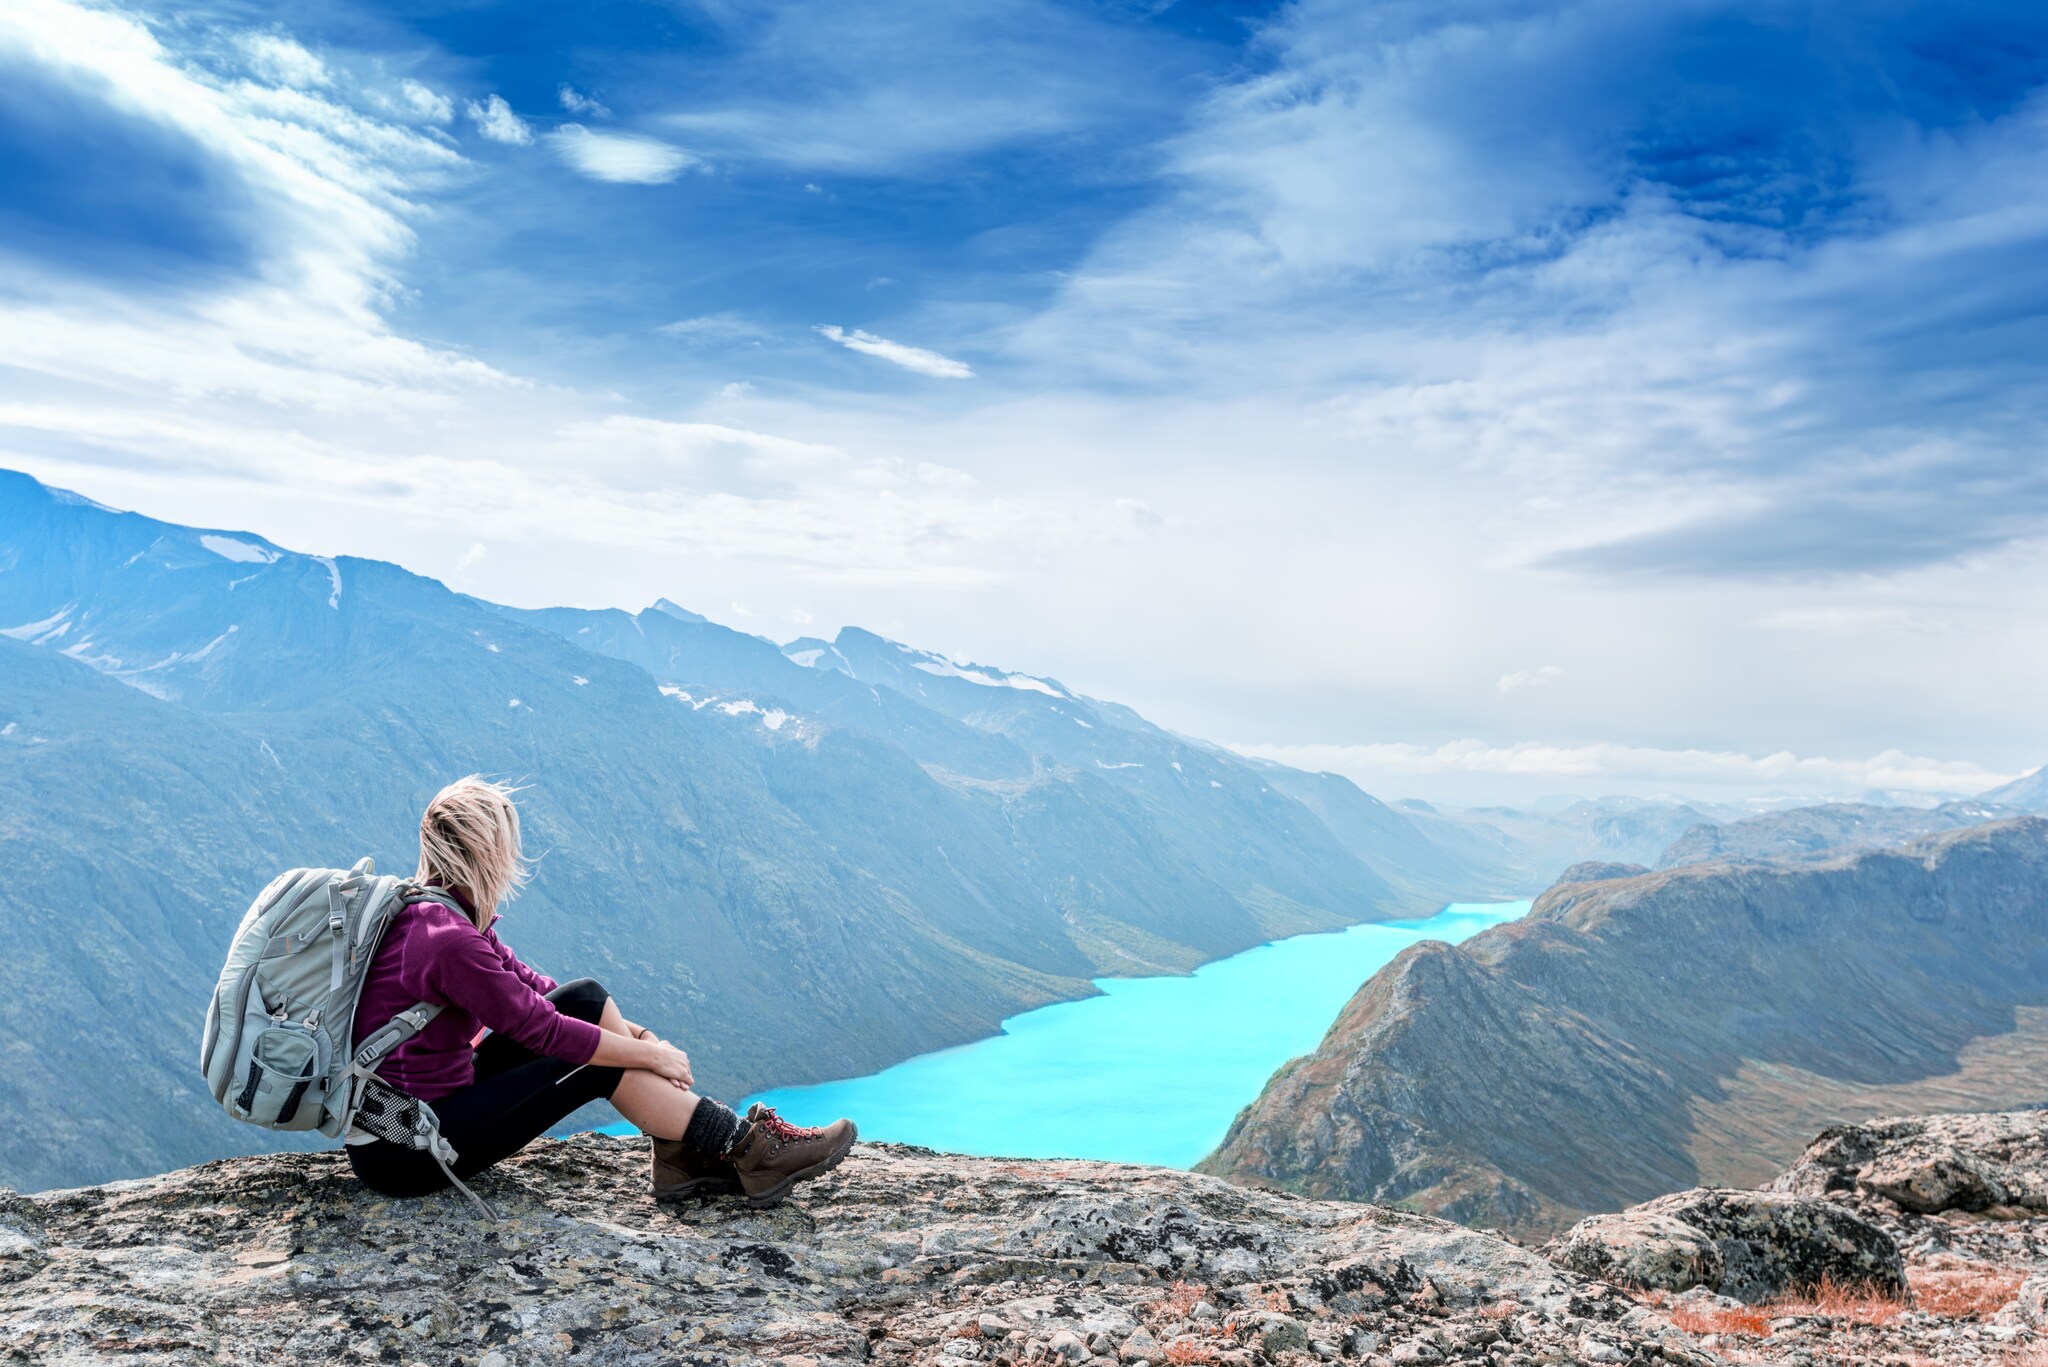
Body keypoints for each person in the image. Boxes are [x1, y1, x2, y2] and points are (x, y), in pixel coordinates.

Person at [347, 775, 855, 1206]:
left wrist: (649, 1041)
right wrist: (646, 1057)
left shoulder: (440, 916)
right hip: (405, 1148)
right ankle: (742, 1147)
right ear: (485, 851)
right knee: (593, 1063)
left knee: (585, 997)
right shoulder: (448, 942)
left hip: (424, 1114)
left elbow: (551, 997)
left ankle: (684, 1151)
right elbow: (544, 1032)